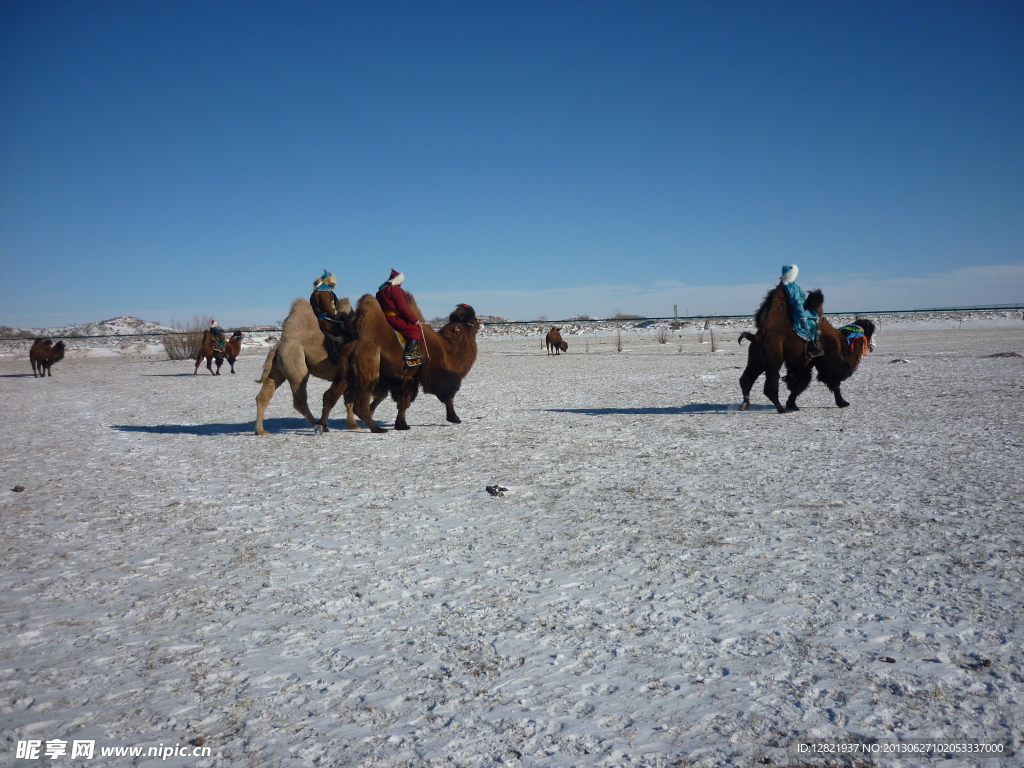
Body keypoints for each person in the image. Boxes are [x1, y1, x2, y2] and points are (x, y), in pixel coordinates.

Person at [376, 269, 423, 361]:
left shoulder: (380, 292)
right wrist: (415, 320)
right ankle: (409, 353)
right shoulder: (396, 290)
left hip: (384, 317)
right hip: (395, 318)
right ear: (398, 280)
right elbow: (403, 308)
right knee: (415, 329)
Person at [778, 265, 823, 359]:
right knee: (813, 323)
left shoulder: (791, 285)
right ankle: (813, 348)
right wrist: (802, 314)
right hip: (799, 310)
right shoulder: (790, 286)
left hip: (801, 308)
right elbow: (796, 301)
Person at [310, 270, 349, 364]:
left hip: (321, 318)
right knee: (345, 332)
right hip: (327, 320)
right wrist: (336, 315)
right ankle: (337, 356)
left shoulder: (315, 292)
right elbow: (328, 307)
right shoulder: (325, 293)